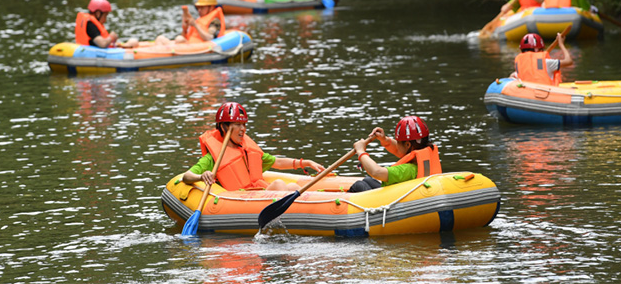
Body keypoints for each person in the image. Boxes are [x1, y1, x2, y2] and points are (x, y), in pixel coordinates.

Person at [182, 102, 326, 192]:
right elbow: (187, 176)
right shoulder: (213, 158)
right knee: (278, 184)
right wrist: (202, 176)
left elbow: (278, 162)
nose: (243, 129)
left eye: (244, 124)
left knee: (293, 187)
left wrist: (306, 162)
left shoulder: (247, 150)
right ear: (224, 127)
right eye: (238, 125)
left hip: (257, 193)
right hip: (240, 200)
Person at [349, 116, 442, 193]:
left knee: (358, 185)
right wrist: (384, 140)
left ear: (407, 145)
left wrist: (360, 151)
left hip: (392, 203)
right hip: (413, 195)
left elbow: (376, 172)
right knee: (367, 180)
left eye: (398, 142)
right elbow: (400, 150)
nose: (396, 144)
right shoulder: (426, 155)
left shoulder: (407, 170)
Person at [155, 0, 226, 45]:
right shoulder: (199, 19)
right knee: (160, 38)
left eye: (202, 8)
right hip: (190, 45)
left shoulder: (215, 21)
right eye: (197, 8)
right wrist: (185, 29)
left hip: (201, 47)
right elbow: (185, 38)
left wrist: (195, 25)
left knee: (179, 39)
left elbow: (210, 38)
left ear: (211, 7)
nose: (199, 10)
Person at [75, 0, 139, 48]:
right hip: (91, 54)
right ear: (98, 13)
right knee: (133, 41)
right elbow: (102, 44)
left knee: (133, 41)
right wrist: (111, 37)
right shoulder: (90, 25)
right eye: (105, 16)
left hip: (89, 49)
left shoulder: (89, 22)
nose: (105, 20)